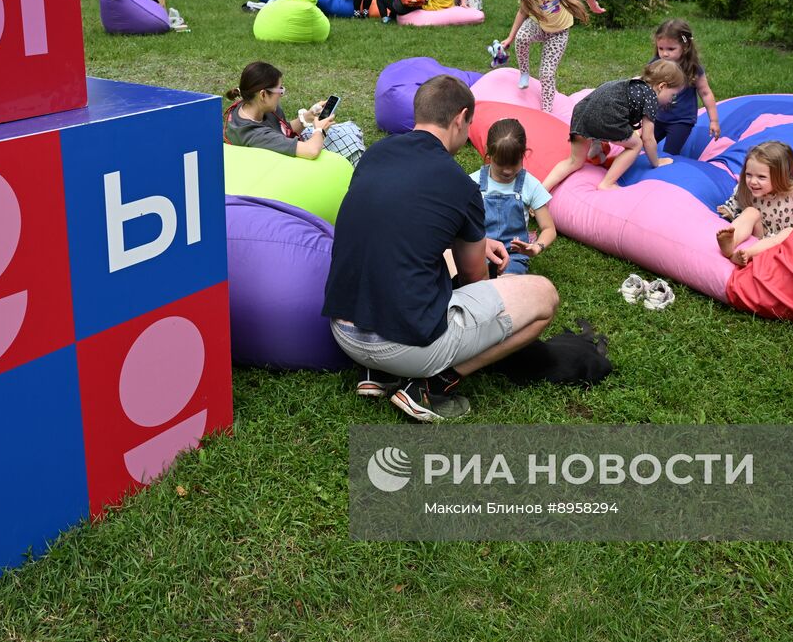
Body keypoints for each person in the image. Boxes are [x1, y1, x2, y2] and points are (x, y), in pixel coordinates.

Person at [322, 75, 559, 422]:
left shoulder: (375, 155)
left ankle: (380, 375)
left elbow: (400, 227)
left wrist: (468, 241)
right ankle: (434, 384)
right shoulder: (459, 184)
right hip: (401, 346)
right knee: (545, 296)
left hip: (344, 331)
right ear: (461, 118)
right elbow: (474, 279)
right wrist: (479, 256)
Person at [543, 59, 683, 192]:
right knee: (636, 144)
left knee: (574, 161)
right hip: (605, 118)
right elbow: (648, 138)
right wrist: (656, 162)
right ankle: (607, 183)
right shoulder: (651, 96)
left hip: (582, 111)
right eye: (673, 95)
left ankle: (541, 191)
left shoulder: (635, 82)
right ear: (662, 86)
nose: (672, 100)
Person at [502, 0, 606, 114]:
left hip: (558, 32)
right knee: (521, 38)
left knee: (546, 73)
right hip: (539, 25)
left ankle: (547, 110)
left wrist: (592, 4)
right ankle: (524, 73)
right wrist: (510, 37)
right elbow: (523, 11)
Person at [716, 140, 793, 267]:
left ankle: (746, 254)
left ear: (781, 176)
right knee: (750, 211)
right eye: (749, 174)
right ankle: (730, 243)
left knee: (788, 231)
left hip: (786, 240)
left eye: (761, 177)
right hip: (761, 233)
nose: (753, 181)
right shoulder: (747, 188)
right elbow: (738, 198)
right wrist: (730, 209)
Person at [223, 61, 365, 165]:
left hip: (289, 149)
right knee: (352, 145)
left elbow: (284, 131)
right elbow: (311, 151)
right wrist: (320, 130)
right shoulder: (255, 135)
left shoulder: (252, 105)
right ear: (263, 95)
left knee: (350, 130)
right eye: (280, 90)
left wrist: (308, 116)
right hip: (284, 166)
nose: (281, 95)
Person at [468, 118, 556, 275]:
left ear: (524, 154)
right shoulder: (473, 183)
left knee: (506, 289)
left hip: (513, 256)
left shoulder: (530, 185)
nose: (507, 171)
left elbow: (549, 228)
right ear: (489, 151)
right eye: (500, 163)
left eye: (514, 163)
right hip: (479, 251)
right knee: (475, 283)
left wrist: (537, 247)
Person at [649, 19, 720, 155]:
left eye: (671, 49)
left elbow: (705, 92)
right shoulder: (657, 64)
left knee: (670, 153)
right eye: (661, 48)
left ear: (685, 47)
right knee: (642, 144)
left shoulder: (692, 68)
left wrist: (714, 121)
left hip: (681, 121)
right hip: (657, 117)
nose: (664, 54)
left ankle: (663, 173)